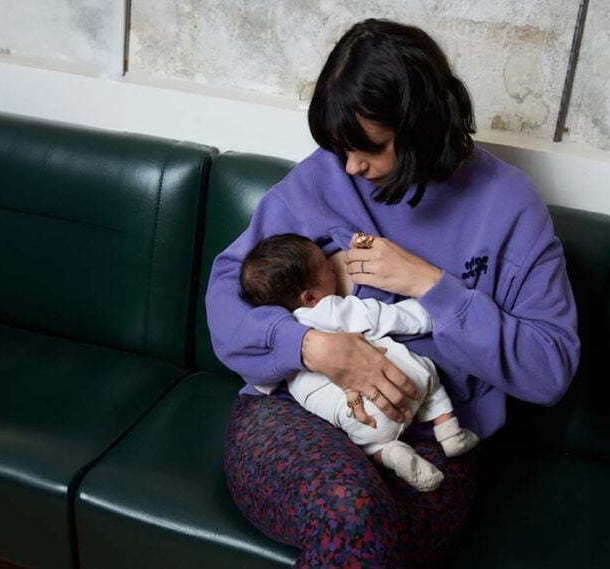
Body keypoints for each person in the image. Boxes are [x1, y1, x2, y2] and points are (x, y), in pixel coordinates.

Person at [207, 18, 580, 567]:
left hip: (432, 435)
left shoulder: (509, 207)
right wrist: (312, 348)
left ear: (424, 126)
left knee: (367, 534)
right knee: (349, 512)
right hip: (296, 410)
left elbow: (550, 369)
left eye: (371, 148)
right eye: (341, 150)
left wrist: (430, 286)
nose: (353, 167)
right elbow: (225, 302)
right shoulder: (324, 177)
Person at [238, 233, 480, 492]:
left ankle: (390, 454)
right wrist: (433, 313)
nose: (333, 267)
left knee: (366, 444)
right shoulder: (331, 309)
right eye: (326, 267)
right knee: (429, 371)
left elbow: (261, 380)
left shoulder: (279, 343)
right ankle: (449, 431)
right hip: (403, 386)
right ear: (309, 298)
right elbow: (387, 317)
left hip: (360, 421)